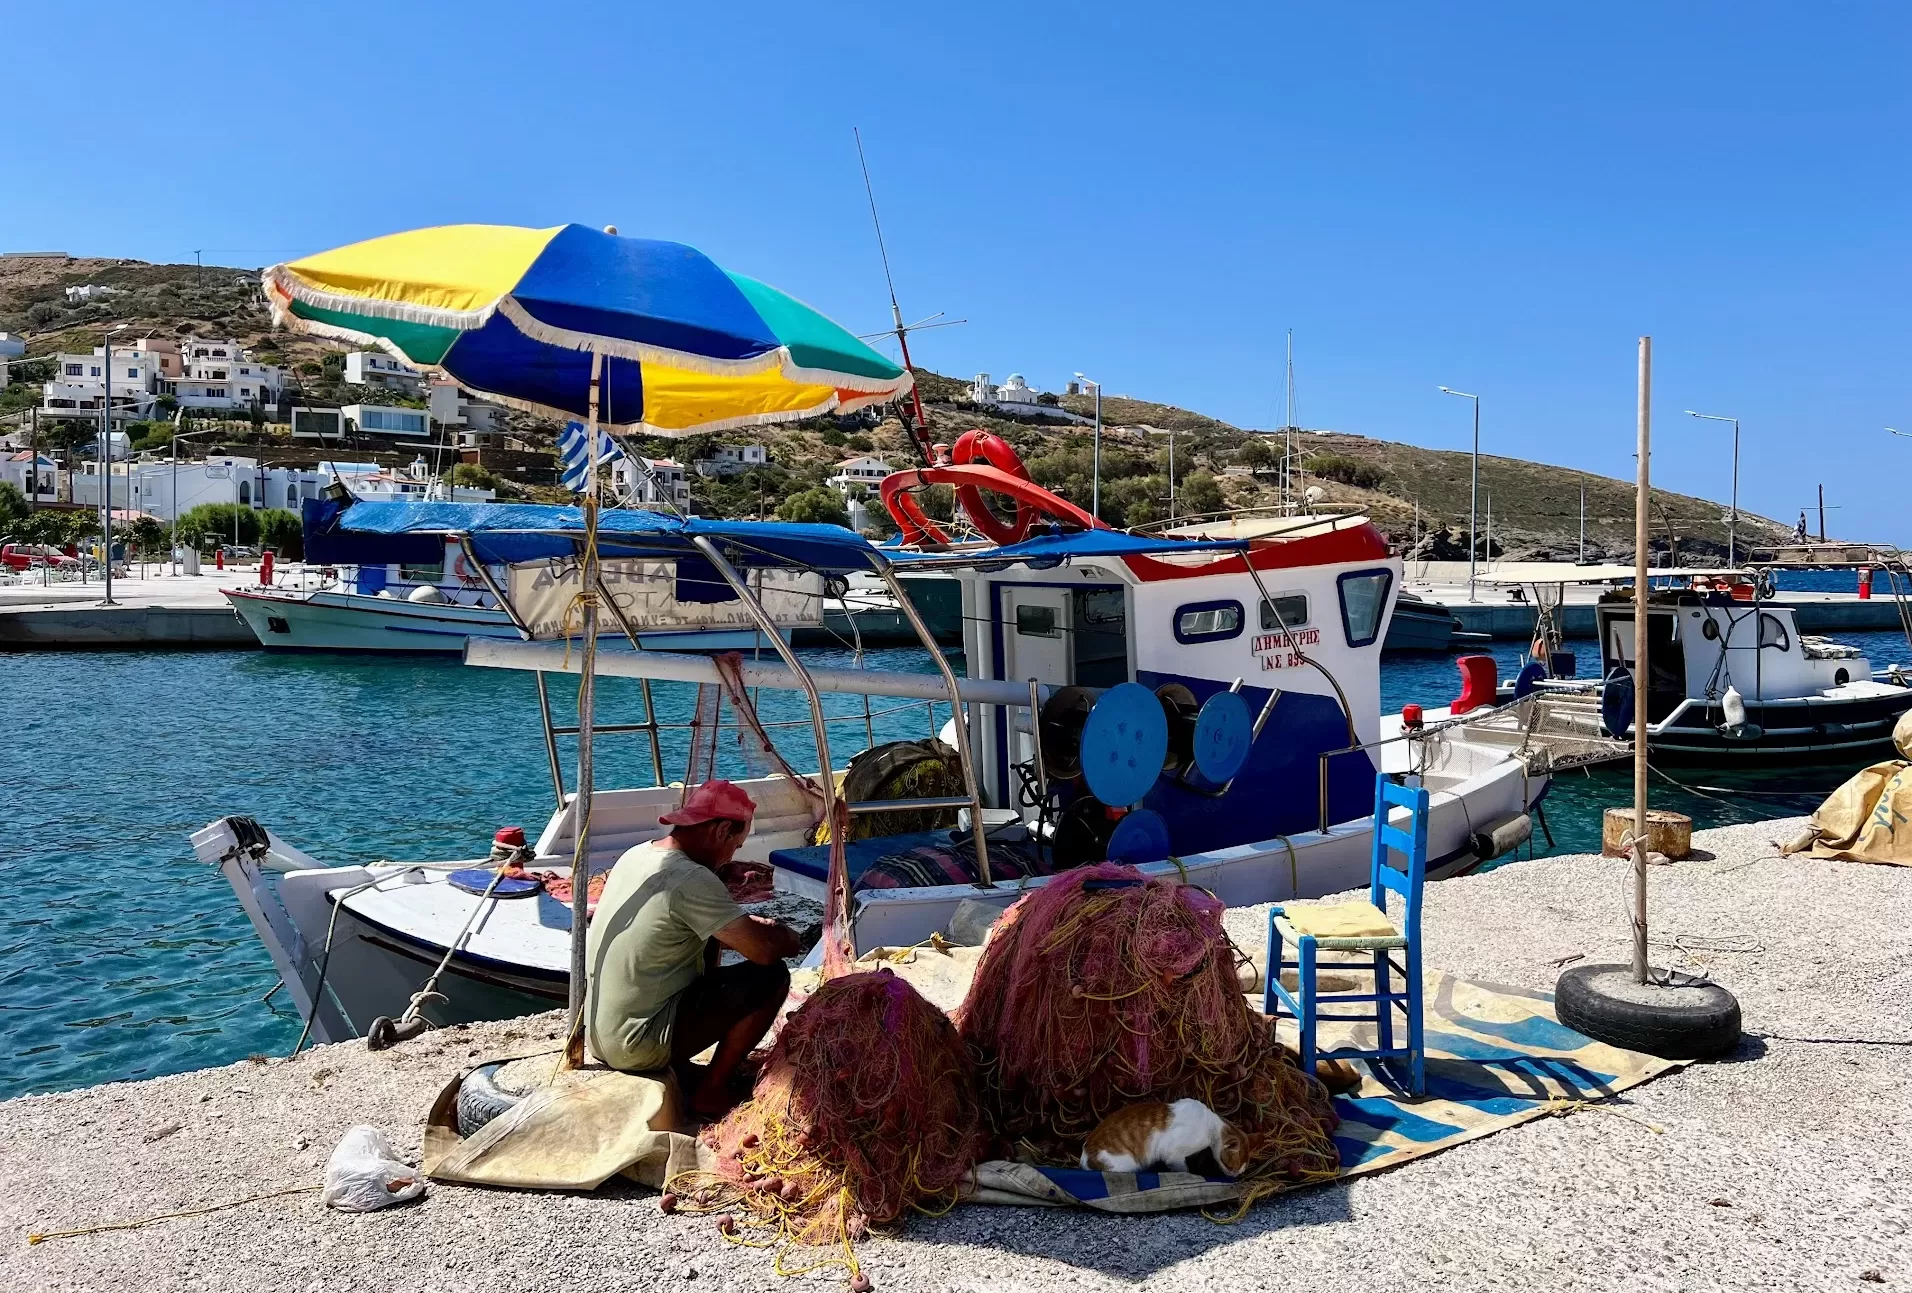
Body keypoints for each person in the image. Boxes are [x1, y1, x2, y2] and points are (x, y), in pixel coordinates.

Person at [585, 779, 802, 1116]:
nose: (732, 856)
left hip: (600, 1038)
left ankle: (682, 1065)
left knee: (711, 941)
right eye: (736, 845)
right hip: (636, 1045)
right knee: (771, 977)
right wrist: (787, 938)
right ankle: (710, 1092)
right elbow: (762, 951)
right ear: (721, 831)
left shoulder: (637, 854)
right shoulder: (691, 879)